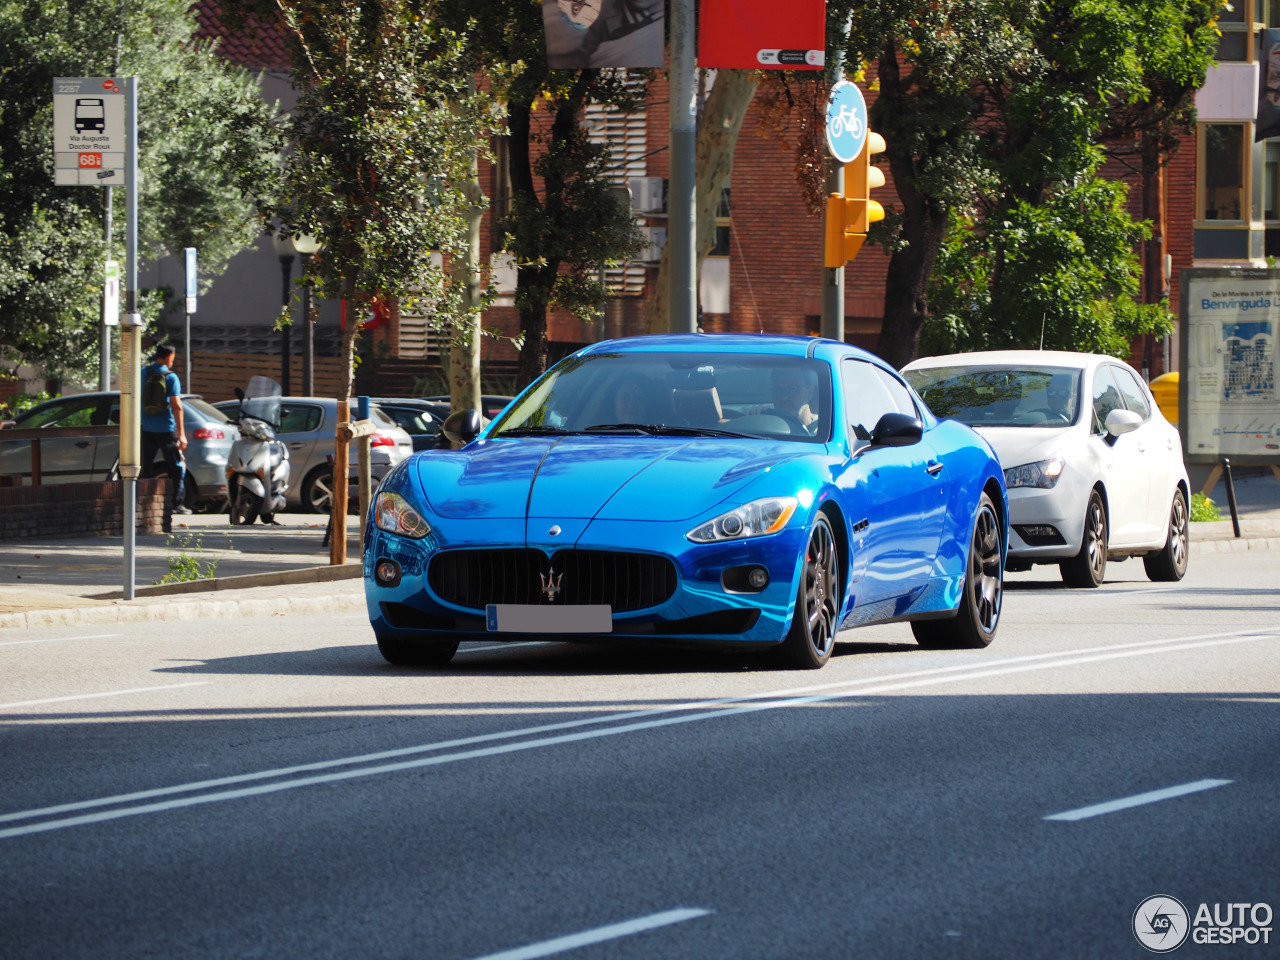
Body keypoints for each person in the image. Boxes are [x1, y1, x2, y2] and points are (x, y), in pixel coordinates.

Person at [140, 343, 189, 514]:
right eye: (173, 359)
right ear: (169, 357)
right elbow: (177, 406)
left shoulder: (142, 373)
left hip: (145, 428)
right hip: (166, 429)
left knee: (145, 466)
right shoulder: (170, 376)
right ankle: (176, 503)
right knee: (175, 466)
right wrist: (181, 434)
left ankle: (141, 502)